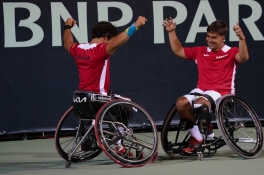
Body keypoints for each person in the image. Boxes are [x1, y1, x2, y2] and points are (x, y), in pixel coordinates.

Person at [63, 16, 147, 156]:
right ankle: (116, 143)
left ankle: (89, 133)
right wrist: (135, 25)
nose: (112, 42)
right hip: (98, 99)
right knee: (128, 106)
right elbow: (116, 43)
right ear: (106, 37)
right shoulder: (100, 50)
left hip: (82, 100)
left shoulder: (78, 49)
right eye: (111, 39)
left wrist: (67, 27)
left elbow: (67, 42)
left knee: (116, 102)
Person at [162, 17, 249, 153]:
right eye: (208, 36)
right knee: (181, 103)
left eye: (213, 37)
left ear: (222, 38)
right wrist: (171, 31)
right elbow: (178, 50)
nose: (209, 40)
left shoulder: (231, 52)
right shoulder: (200, 51)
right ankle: (198, 138)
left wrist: (242, 39)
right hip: (201, 90)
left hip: (222, 93)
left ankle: (204, 135)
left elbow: (243, 58)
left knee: (199, 104)